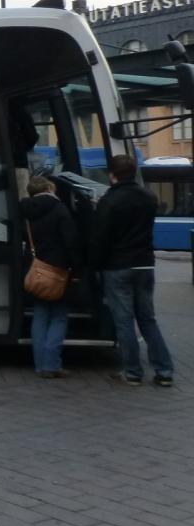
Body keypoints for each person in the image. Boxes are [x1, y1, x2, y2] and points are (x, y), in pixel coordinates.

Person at [89, 154, 174, 387]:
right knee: (148, 319)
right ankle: (164, 371)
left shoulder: (109, 201)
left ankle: (133, 372)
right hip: (145, 263)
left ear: (112, 174)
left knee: (124, 321)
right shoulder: (148, 197)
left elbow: (100, 238)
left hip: (117, 266)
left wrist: (94, 266)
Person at [20, 176, 78, 378]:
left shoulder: (25, 211)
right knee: (59, 317)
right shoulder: (60, 209)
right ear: (49, 189)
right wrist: (77, 269)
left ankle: (39, 364)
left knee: (40, 316)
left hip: (35, 270)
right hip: (58, 270)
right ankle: (51, 364)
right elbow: (71, 242)